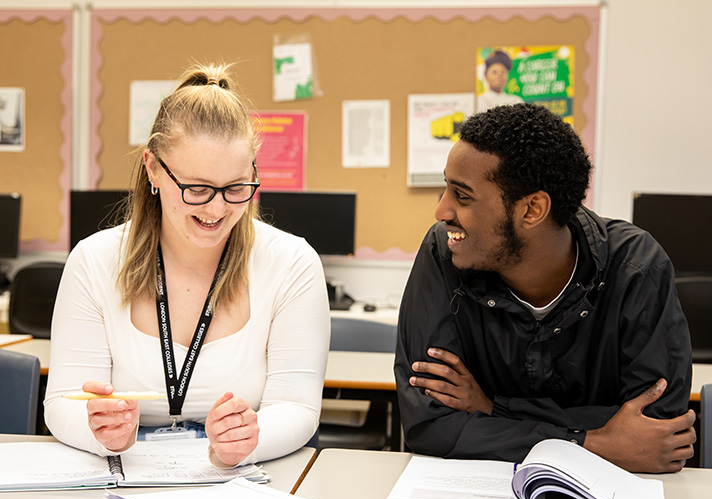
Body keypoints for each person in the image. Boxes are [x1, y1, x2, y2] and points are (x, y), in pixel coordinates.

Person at [44, 63, 330, 468]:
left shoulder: (292, 263)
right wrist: (99, 430)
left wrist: (248, 439)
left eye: (235, 188)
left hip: (238, 477)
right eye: (196, 188)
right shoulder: (94, 261)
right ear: (152, 169)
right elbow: (61, 402)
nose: (216, 209)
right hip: (124, 468)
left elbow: (297, 408)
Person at [395, 103, 696, 473]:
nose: (441, 211)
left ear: (532, 210)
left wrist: (494, 408)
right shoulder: (443, 252)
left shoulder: (636, 267)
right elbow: (430, 425)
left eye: (462, 195)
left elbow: (657, 431)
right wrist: (592, 443)